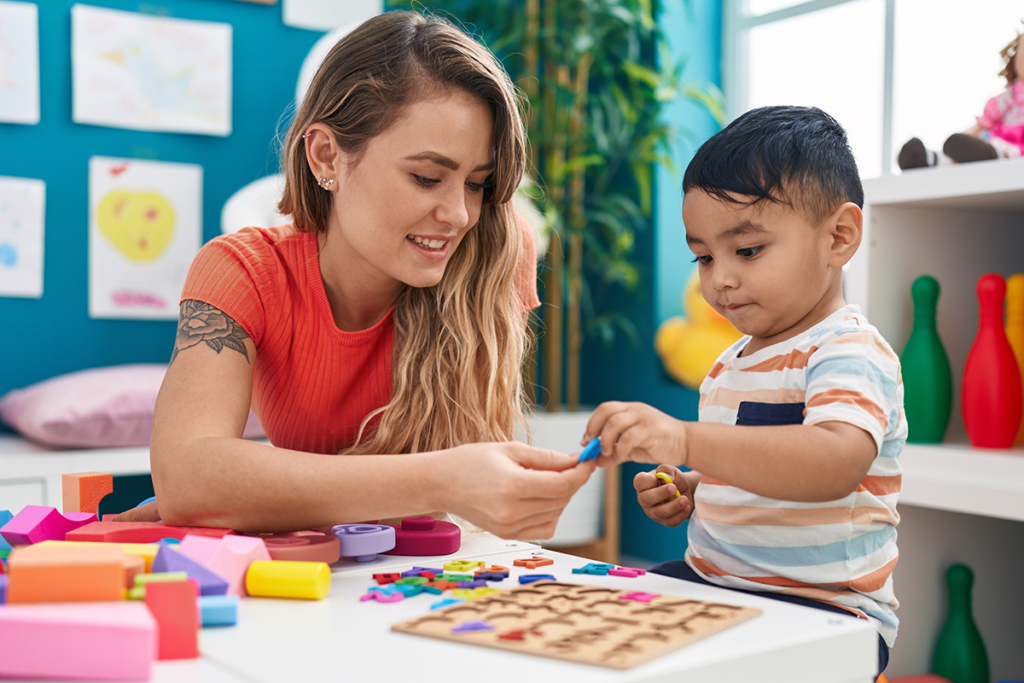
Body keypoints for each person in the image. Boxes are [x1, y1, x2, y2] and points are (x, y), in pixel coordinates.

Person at [115, 10, 595, 538]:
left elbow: (203, 490)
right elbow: (188, 479)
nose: (459, 215)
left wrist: (244, 493)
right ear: (327, 157)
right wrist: (441, 480)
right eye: (427, 177)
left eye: (477, 183)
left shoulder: (497, 254)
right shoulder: (243, 271)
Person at [583, 106, 905, 675]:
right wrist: (689, 486)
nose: (720, 279)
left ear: (840, 236)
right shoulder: (731, 362)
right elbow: (751, 464)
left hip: (824, 610)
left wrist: (685, 440)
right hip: (720, 584)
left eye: (747, 251)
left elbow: (832, 461)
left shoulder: (848, 350)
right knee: (607, 626)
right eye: (704, 256)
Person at [899, 28, 1024, 169]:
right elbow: (982, 125)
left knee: (998, 151)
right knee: (971, 150)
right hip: (992, 140)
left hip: (1014, 149)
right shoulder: (1008, 98)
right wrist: (963, 139)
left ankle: (984, 154)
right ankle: (929, 158)